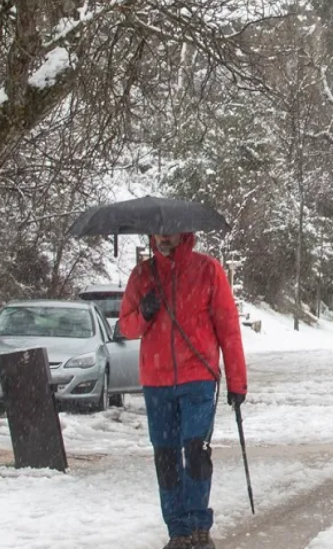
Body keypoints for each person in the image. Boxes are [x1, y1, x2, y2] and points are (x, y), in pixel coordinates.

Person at [119, 232, 248, 549]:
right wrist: (144, 313)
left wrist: (237, 380)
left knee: (196, 452)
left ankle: (198, 527)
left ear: (185, 233)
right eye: (160, 232)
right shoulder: (142, 275)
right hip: (156, 382)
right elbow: (125, 327)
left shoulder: (207, 270)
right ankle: (177, 531)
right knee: (165, 458)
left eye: (172, 232)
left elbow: (228, 327)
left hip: (198, 379)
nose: (165, 238)